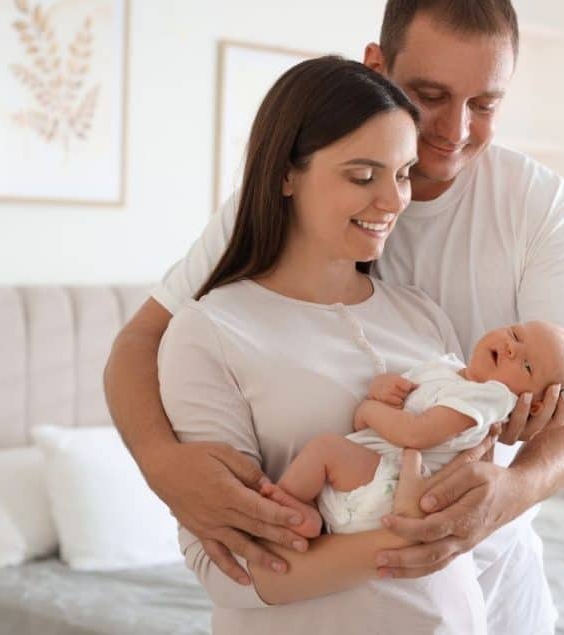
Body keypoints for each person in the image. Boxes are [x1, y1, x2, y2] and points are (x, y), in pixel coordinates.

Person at [104, 0, 564, 635]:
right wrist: (164, 466)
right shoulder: (254, 258)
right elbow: (140, 341)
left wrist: (509, 490)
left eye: (485, 104)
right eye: (430, 95)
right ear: (377, 66)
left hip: (485, 579)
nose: (455, 129)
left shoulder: (532, 211)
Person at [158, 55, 494, 631]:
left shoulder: (423, 317)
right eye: (362, 176)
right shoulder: (211, 331)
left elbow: (465, 484)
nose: (393, 201)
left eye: (403, 174)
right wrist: (411, 543)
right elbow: (230, 569)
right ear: (286, 174)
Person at [274, 321, 564, 538]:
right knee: (325, 456)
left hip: (391, 485)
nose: (511, 348)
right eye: (515, 334)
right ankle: (308, 516)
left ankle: (282, 510)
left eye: (527, 365)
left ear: (533, 405)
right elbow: (395, 410)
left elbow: (415, 434)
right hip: (367, 478)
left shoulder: (489, 398)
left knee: (324, 450)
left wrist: (369, 410)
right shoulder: (448, 368)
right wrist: (384, 388)